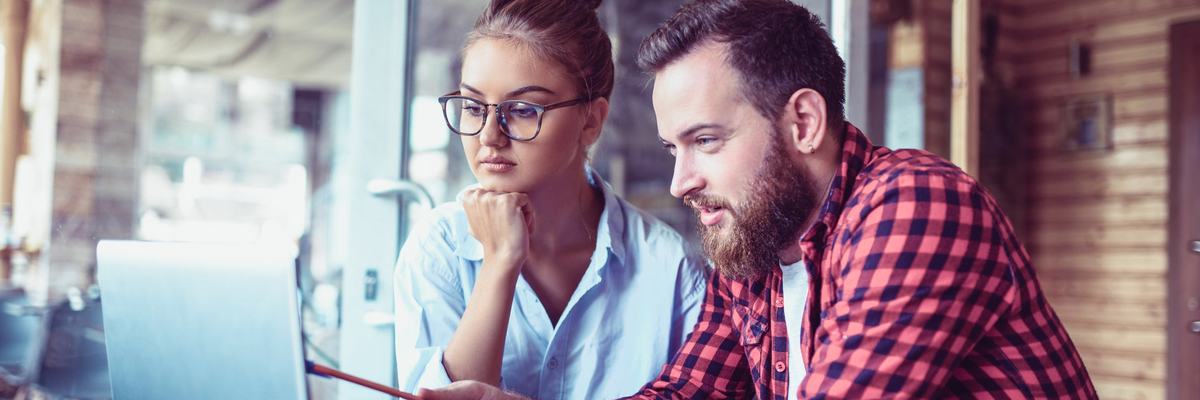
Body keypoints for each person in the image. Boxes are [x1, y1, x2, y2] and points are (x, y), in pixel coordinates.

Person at [420, 0, 1098, 399]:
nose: (682, 182)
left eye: (706, 140)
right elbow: (685, 395)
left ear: (802, 123)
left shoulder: (915, 205)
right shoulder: (757, 247)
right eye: (672, 149)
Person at [391, 0, 709, 399]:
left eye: (522, 110)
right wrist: (500, 262)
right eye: (473, 107)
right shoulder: (438, 248)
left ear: (590, 121)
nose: (489, 135)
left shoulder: (672, 270)